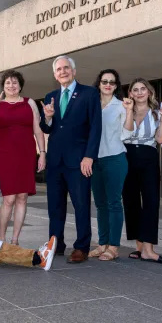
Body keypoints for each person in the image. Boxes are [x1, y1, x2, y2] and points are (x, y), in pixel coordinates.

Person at [39, 55, 102, 263]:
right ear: (55, 75)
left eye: (66, 68)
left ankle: (82, 247)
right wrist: (47, 117)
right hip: (56, 161)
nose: (63, 72)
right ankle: (55, 244)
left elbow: (95, 127)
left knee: (81, 204)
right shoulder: (50, 96)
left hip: (79, 161)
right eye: (59, 70)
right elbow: (47, 128)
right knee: (55, 206)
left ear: (73, 71)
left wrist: (89, 156)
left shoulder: (89, 93)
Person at [0, 70, 46, 245]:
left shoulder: (29, 103)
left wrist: (43, 154)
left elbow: (38, 130)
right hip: (6, 154)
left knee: (22, 197)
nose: (11, 85)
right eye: (8, 83)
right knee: (9, 198)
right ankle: (1, 239)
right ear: (4, 86)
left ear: (20, 85)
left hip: (26, 153)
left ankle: (15, 240)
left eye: (15, 82)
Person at [122, 78, 162, 265]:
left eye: (143, 89)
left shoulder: (156, 112)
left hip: (149, 157)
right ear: (130, 94)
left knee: (151, 201)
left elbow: (160, 139)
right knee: (131, 201)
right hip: (127, 157)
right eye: (135, 89)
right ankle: (139, 247)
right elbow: (124, 134)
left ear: (149, 92)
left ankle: (149, 249)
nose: (139, 92)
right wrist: (128, 111)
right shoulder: (124, 111)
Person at [88, 69, 130, 261]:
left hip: (114, 158)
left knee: (114, 203)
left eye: (112, 82)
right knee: (100, 204)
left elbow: (127, 134)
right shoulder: (91, 104)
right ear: (99, 83)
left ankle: (113, 246)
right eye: (104, 81)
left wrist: (129, 111)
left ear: (116, 86)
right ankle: (102, 243)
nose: (108, 84)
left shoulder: (121, 106)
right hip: (94, 160)